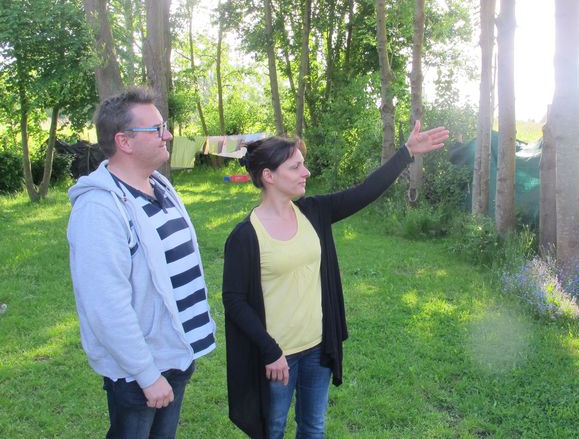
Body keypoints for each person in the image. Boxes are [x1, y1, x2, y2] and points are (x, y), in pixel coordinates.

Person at [222, 121, 449, 438]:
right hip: (277, 356)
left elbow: (363, 192)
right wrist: (270, 351)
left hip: (318, 347)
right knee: (272, 429)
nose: (306, 172)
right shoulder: (245, 236)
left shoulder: (314, 212)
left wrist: (407, 152)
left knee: (313, 427)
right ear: (268, 176)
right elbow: (234, 301)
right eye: (296, 166)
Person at [67, 87, 216, 438]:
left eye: (164, 126)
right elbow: (106, 306)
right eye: (156, 129)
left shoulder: (158, 185)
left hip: (175, 355)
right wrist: (147, 374)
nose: (168, 135)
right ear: (125, 141)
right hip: (141, 373)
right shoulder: (99, 210)